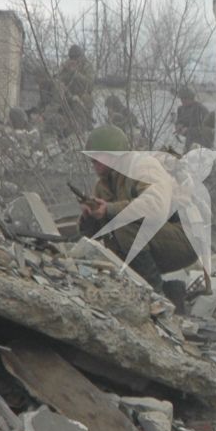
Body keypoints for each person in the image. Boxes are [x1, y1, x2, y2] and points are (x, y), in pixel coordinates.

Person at [78, 123, 197, 307]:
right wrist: (90, 216)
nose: (93, 163)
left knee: (124, 224)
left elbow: (155, 208)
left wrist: (109, 209)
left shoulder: (143, 166)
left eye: (97, 158)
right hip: (157, 238)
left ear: (113, 156)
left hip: (186, 237)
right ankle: (170, 292)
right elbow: (94, 235)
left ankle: (156, 296)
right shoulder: (103, 184)